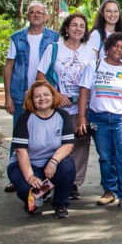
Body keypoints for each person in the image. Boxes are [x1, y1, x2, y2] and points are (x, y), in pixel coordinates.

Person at [77, 33, 122, 207]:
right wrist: (82, 117)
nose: (118, 50)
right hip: (98, 118)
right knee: (106, 157)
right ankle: (109, 191)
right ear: (108, 46)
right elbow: (84, 91)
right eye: (116, 46)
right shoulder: (94, 65)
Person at [35, 13, 94, 200]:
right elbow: (40, 77)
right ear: (67, 28)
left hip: (81, 107)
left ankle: (73, 183)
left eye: (82, 26)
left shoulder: (90, 52)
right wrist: (56, 95)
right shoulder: (54, 49)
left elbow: (93, 81)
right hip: (57, 108)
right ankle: (50, 181)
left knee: (80, 144)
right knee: (54, 144)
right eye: (74, 25)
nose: (77, 29)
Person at [3, 1, 60, 192]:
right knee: (19, 136)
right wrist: (8, 96)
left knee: (48, 135)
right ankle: (16, 176)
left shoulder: (55, 38)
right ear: (27, 16)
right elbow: (9, 66)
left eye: (40, 12)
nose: (36, 15)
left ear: (46, 17)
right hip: (21, 95)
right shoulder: (17, 38)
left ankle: (47, 174)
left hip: (46, 96)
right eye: (32, 12)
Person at [6, 81, 76, 218]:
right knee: (27, 188)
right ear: (31, 100)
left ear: (53, 96)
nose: (42, 98)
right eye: (37, 96)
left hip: (51, 163)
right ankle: (32, 200)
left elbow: (68, 144)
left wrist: (54, 162)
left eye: (46, 94)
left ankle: (60, 203)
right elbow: (21, 151)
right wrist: (30, 177)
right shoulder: (24, 118)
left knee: (67, 165)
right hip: (28, 164)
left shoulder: (63, 116)